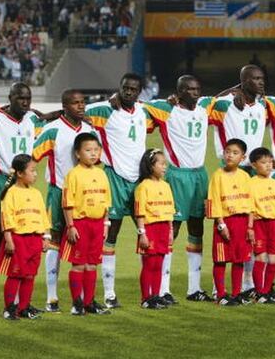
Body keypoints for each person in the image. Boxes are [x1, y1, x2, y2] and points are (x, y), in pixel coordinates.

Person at [85, 73, 153, 308]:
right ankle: (109, 294)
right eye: (125, 88)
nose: (128, 92)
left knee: (147, 236)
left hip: (139, 182)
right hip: (114, 178)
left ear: (140, 91)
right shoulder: (105, 110)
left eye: (133, 89)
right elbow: (77, 110)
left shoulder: (145, 111)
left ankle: (152, 294)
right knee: (110, 237)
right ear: (119, 88)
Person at [143, 75, 212, 302]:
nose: (195, 93)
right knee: (171, 230)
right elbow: (136, 104)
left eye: (197, 89)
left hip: (199, 174)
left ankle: (194, 289)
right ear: (179, 92)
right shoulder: (166, 109)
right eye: (189, 89)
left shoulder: (204, 107)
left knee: (197, 229)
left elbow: (228, 95)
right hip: (178, 175)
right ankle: (163, 289)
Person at [0, 82, 43, 317]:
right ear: (10, 97)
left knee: (22, 244)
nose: (25, 103)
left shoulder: (34, 121)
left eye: (28, 98)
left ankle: (18, 303)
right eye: (20, 98)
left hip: (23, 185)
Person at [32, 89, 93, 312]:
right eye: (75, 103)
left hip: (85, 196)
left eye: (82, 101)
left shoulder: (88, 129)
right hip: (58, 191)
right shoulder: (52, 130)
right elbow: (33, 156)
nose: (81, 106)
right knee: (55, 242)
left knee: (85, 243)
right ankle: (51, 298)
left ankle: (85, 298)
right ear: (65, 106)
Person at [209, 65, 267, 299]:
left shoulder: (264, 104)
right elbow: (205, 103)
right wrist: (232, 91)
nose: (260, 82)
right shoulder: (225, 104)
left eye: (262, 78)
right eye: (254, 79)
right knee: (226, 231)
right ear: (243, 82)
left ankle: (246, 284)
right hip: (229, 171)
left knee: (250, 232)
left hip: (251, 172)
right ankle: (218, 289)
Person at [61, 133, 112, 315]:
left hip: (98, 224)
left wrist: (105, 224)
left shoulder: (101, 173)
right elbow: (68, 203)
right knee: (79, 265)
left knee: (92, 264)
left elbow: (106, 202)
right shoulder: (73, 175)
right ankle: (77, 303)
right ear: (77, 153)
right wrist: (71, 226)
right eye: (88, 150)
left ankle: (89, 302)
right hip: (80, 224)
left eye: (96, 150)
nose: (93, 154)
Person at [0, 154, 50, 320]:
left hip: (35, 239)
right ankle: (9, 308)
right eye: (32, 170)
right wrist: (9, 239)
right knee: (15, 274)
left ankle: (24, 307)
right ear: (20, 173)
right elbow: (6, 217)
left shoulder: (36, 193)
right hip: (18, 239)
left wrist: (46, 236)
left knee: (30, 274)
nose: (35, 174)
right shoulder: (11, 193)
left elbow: (43, 216)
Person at [206, 139, 253, 306]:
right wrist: (221, 224)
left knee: (239, 259)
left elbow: (250, 203)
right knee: (220, 259)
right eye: (227, 152)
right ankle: (220, 294)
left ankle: (236, 293)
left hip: (242, 222)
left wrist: (250, 226)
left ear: (242, 157)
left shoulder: (245, 177)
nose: (230, 155)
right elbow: (214, 201)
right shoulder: (217, 176)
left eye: (235, 153)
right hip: (225, 221)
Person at [134, 149, 175, 309]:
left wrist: (170, 231)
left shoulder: (166, 186)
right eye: (161, 164)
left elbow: (170, 210)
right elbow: (140, 213)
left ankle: (156, 296)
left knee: (159, 264)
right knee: (149, 264)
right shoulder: (143, 187)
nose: (165, 167)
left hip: (164, 228)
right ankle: (146, 298)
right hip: (150, 228)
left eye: (166, 164)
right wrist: (142, 233)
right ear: (151, 166)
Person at [248, 148, 275, 304]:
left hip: (274, 225)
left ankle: (266, 290)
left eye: (270, 162)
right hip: (259, 223)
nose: (268, 166)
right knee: (261, 257)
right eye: (263, 162)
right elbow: (249, 209)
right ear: (254, 165)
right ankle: (259, 292)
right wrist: (250, 228)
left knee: (274, 259)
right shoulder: (250, 184)